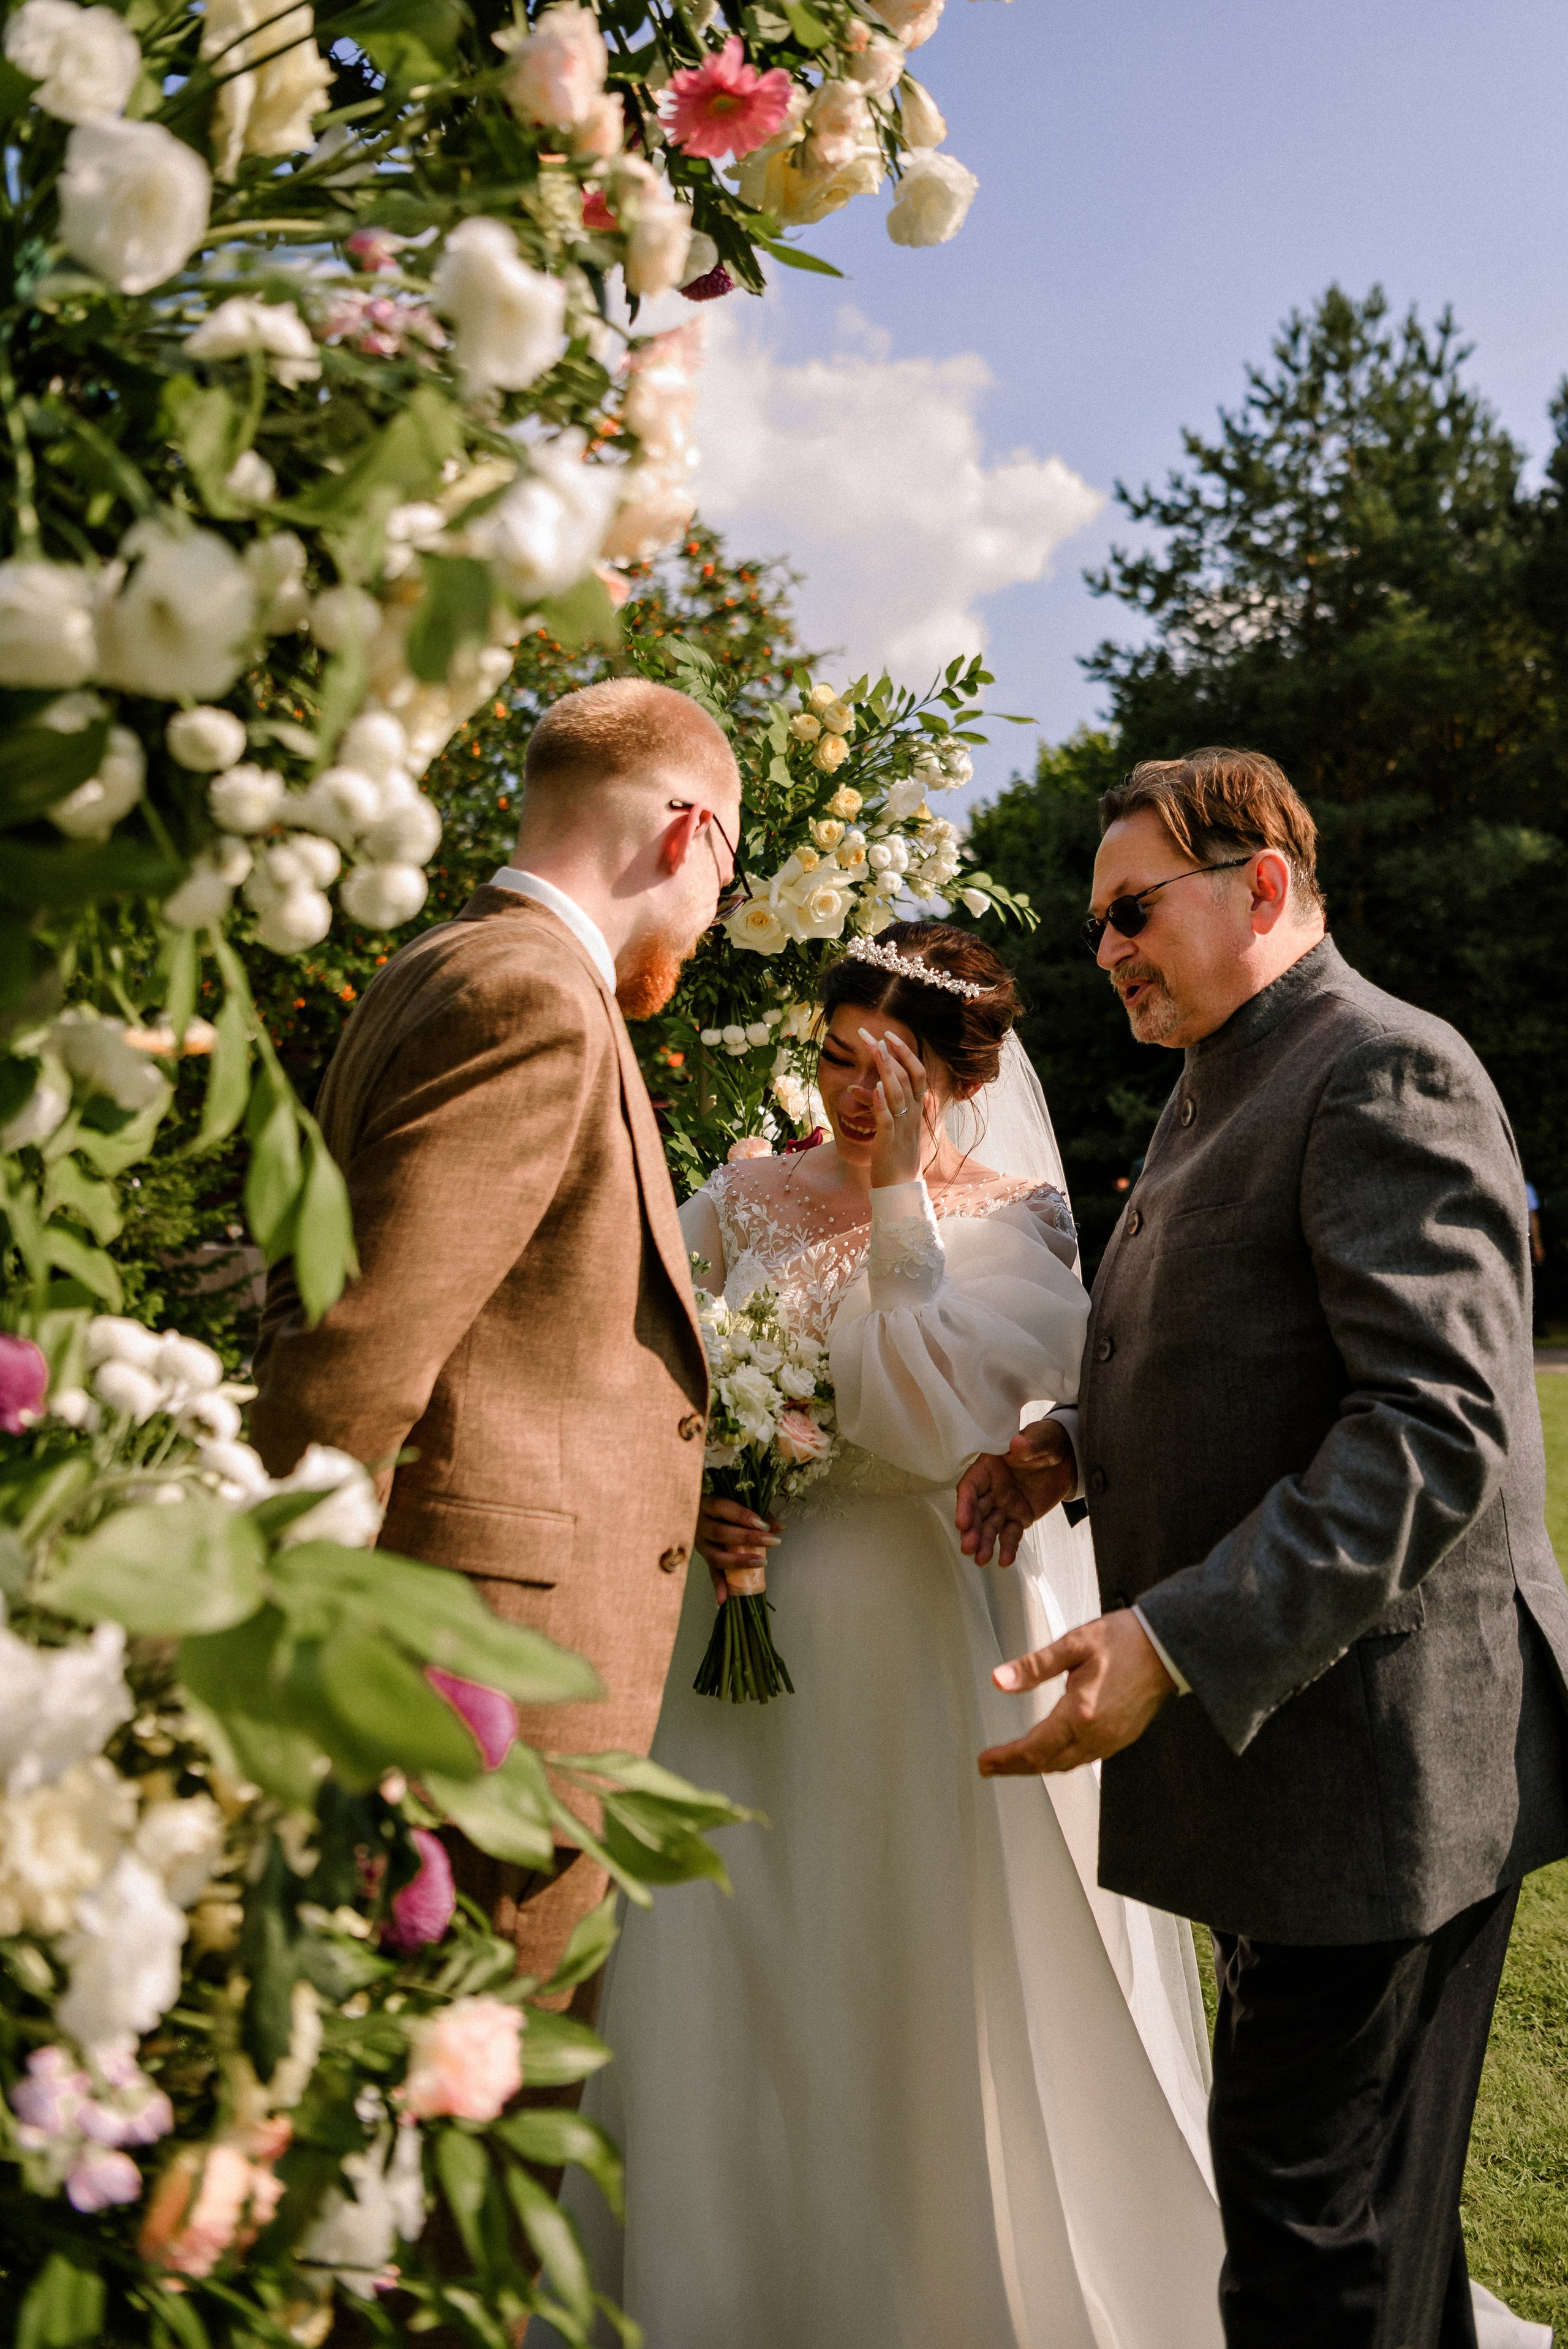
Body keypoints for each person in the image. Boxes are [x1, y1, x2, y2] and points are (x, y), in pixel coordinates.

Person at [957, 750, 1568, 2349]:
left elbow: (1434, 1428)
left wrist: (1166, 1640)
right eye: (1098, 925)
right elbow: (1220, 1346)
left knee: (1317, 2241)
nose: (1105, 952)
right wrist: (1063, 1452)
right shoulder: (1228, 1067)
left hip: (1375, 1770)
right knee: (1364, 2235)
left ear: (1268, 889)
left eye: (1132, 910)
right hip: (1281, 1760)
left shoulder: (1382, 1072)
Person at [549, 922, 1230, 2349]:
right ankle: (711, 2287)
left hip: (917, 1627)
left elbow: (927, 1424)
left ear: (958, 1076)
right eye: (834, 1061)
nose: (856, 1098)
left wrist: (905, 1193)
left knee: (900, 1960)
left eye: (891, 1070)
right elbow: (625, 1371)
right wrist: (705, 1493)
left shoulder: (1014, 1219)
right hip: (738, 1627)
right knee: (720, 1943)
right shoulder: (739, 1197)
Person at [251, 677, 741, 1987]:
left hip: (467, 1660)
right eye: (724, 876)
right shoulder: (534, 997)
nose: (706, 922)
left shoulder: (444, 962)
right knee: (455, 2094)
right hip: (480, 1694)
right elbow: (360, 1352)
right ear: (686, 831)